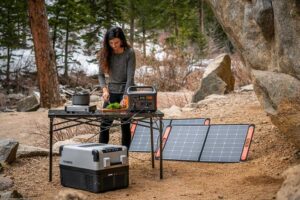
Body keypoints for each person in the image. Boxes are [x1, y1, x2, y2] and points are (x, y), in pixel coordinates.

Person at [97, 27, 136, 149]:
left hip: (127, 91)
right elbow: (100, 74)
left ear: (122, 40)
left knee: (125, 125)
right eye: (111, 43)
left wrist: (125, 97)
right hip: (112, 92)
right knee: (104, 125)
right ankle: (101, 154)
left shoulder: (130, 52)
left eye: (117, 42)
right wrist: (104, 89)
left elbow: (130, 77)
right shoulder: (105, 52)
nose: (114, 45)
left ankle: (125, 156)